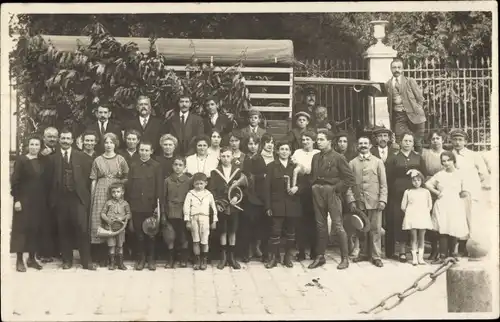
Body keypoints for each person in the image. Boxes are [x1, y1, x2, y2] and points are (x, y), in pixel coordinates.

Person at [46, 128, 96, 270]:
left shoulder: (83, 157)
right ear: (59, 140)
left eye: (68, 138)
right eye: (63, 138)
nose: (65, 141)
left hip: (78, 199)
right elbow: (48, 181)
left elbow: (89, 178)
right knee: (64, 229)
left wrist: (85, 197)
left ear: (72, 140)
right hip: (60, 199)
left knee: (82, 229)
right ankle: (67, 260)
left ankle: (86, 261)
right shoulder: (52, 158)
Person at [309, 130, 356, 269]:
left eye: (322, 139)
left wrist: (336, 189)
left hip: (332, 192)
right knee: (320, 225)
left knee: (337, 225)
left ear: (329, 141)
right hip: (318, 191)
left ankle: (345, 258)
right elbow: (313, 175)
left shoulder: (338, 157)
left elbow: (350, 178)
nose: (318, 142)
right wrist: (314, 186)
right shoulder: (315, 157)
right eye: (317, 139)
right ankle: (320, 256)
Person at [345, 136, 388, 267]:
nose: (363, 145)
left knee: (375, 229)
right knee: (361, 229)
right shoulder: (352, 163)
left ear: (370, 146)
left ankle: (376, 256)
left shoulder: (378, 162)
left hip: (375, 201)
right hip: (359, 202)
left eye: (365, 143)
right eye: (360, 143)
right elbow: (348, 184)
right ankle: (363, 253)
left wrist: (383, 200)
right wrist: (351, 200)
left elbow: (383, 183)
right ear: (358, 146)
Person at [89, 133, 129, 267]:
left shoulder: (121, 159)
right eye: (106, 142)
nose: (108, 145)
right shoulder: (97, 160)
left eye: (111, 142)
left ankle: (117, 257)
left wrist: (118, 182)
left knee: (115, 217)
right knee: (100, 220)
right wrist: (93, 195)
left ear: (115, 144)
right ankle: (102, 256)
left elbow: (126, 176)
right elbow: (93, 179)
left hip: (115, 191)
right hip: (101, 191)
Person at [385, 132, 426, 262]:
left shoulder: (418, 158)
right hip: (397, 195)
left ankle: (416, 252)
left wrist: (418, 172)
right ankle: (401, 251)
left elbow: (424, 175)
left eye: (410, 141)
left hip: (415, 196)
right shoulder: (394, 158)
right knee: (399, 221)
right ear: (400, 142)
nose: (407, 143)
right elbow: (388, 177)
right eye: (405, 141)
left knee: (415, 221)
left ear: (413, 143)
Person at [263, 141, 304, 268]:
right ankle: (273, 258)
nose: (284, 151)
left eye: (287, 149)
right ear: (277, 151)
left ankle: (287, 258)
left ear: (290, 152)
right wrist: (268, 206)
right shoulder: (271, 166)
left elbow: (305, 183)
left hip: (292, 204)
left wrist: (297, 188)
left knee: (291, 233)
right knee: (275, 232)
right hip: (277, 204)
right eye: (282, 149)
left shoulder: (296, 167)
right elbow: (266, 188)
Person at [450, 129, 490, 256]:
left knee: (471, 219)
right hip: (455, 192)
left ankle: (472, 248)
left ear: (465, 141)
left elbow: (483, 173)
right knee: (457, 219)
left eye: (460, 140)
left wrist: (475, 186)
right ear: (451, 141)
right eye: (455, 139)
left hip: (471, 192)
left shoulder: (473, 155)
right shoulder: (449, 155)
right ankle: (458, 248)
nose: (457, 142)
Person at [425, 151, 470, 264]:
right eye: (443, 161)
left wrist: (462, 195)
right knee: (443, 228)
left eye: (448, 160)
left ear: (453, 160)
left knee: (453, 227)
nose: (446, 163)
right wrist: (437, 192)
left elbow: (465, 189)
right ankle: (442, 256)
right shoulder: (440, 174)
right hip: (443, 203)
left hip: (455, 203)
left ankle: (452, 254)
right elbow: (428, 184)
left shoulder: (460, 174)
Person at [10, 135, 46, 272]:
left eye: (37, 145)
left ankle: (31, 259)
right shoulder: (21, 160)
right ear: (27, 146)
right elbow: (15, 181)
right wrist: (17, 199)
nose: (34, 147)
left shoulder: (42, 161)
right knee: (21, 229)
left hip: (38, 201)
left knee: (35, 229)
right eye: (32, 144)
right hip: (24, 201)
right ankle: (19, 260)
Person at [126, 141, 163, 271]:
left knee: (151, 233)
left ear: (151, 151)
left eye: (147, 150)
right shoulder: (134, 165)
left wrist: (158, 206)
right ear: (138, 150)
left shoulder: (156, 166)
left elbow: (159, 187)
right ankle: (140, 259)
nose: (144, 152)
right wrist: (128, 204)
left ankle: (151, 259)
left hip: (150, 205)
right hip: (136, 205)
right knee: (139, 234)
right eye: (141, 150)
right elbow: (129, 187)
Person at [209, 147, 248, 270]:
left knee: (233, 231)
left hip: (234, 205)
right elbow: (212, 190)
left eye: (228, 156)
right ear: (220, 157)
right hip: (222, 206)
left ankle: (232, 257)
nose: (226, 159)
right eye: (223, 156)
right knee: (223, 231)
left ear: (232, 157)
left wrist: (236, 197)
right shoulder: (215, 172)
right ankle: (223, 258)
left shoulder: (238, 172)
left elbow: (243, 189)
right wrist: (218, 203)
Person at [385, 58, 426, 152]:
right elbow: (389, 103)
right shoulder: (388, 84)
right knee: (400, 141)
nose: (396, 70)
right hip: (399, 116)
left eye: (399, 67)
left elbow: (420, 98)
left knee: (417, 143)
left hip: (415, 116)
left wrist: (417, 110)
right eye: (394, 67)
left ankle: (418, 164)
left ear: (402, 69)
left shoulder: (410, 81)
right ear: (391, 69)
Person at [291, 130, 320, 261]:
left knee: (314, 221)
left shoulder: (318, 153)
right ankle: (301, 251)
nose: (305, 142)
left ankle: (314, 251)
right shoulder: (297, 153)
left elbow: (314, 171)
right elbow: (296, 169)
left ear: (313, 141)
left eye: (308, 139)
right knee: (300, 221)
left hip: (314, 189)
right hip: (300, 189)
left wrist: (305, 169)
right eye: (303, 140)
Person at [240, 133, 268, 262]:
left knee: (258, 224)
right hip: (246, 195)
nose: (252, 146)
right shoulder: (244, 159)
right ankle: (247, 250)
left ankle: (257, 247)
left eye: (255, 144)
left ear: (259, 145)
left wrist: (255, 177)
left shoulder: (260, 159)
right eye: (250, 144)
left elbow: (263, 175)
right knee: (246, 224)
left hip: (258, 195)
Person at [421, 130, 447, 261]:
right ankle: (434, 249)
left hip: (443, 187)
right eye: (433, 139)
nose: (435, 141)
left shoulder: (448, 154)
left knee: (443, 219)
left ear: (442, 139)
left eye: (438, 138)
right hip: (429, 186)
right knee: (431, 220)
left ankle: (445, 251)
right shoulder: (425, 154)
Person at [184, 172, 218, 270]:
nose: (199, 186)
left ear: (206, 183)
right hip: (194, 218)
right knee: (196, 240)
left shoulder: (208, 194)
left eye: (201, 184)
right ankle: (197, 260)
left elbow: (214, 209)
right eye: (196, 184)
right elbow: (186, 208)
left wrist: (214, 221)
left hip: (205, 218)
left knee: (204, 241)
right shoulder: (190, 194)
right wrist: (187, 220)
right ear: (193, 184)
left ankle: (204, 260)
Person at [161, 156, 191, 269]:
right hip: (170, 212)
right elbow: (163, 198)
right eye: (176, 165)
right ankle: (171, 260)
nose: (177, 167)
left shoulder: (188, 180)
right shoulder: (167, 180)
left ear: (184, 167)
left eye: (180, 165)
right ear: (172, 166)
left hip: (184, 212)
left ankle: (183, 259)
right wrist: (163, 214)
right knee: (170, 236)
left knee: (183, 236)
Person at [401, 170, 433, 266]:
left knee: (421, 237)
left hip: (422, 216)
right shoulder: (408, 192)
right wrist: (410, 212)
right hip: (412, 216)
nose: (416, 182)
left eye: (418, 180)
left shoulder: (426, 192)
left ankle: (421, 258)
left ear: (421, 181)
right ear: (411, 181)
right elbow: (403, 206)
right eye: (414, 180)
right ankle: (414, 258)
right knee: (413, 237)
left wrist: (424, 212)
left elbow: (429, 205)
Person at [38, 127, 60, 263]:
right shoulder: (39, 151)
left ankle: (56, 251)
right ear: (44, 138)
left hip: (57, 191)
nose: (52, 139)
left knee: (56, 221)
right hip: (43, 192)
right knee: (44, 223)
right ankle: (44, 252)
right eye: (49, 136)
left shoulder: (60, 151)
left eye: (54, 136)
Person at [100, 182, 131, 270]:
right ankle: (112, 263)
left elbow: (129, 214)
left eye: (118, 192)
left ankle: (120, 263)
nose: (115, 194)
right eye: (113, 192)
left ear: (122, 192)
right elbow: (102, 213)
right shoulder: (108, 203)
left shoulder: (125, 204)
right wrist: (107, 220)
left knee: (120, 246)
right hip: (110, 229)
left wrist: (123, 217)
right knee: (111, 246)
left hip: (121, 229)